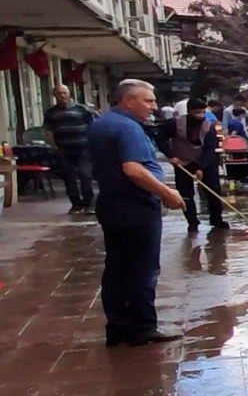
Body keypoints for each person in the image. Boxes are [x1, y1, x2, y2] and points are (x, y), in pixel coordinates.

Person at [86, 80, 186, 347]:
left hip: (112, 203)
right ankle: (142, 326)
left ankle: (118, 325)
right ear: (128, 101)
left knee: (118, 267)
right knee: (142, 268)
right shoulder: (128, 127)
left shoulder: (103, 123)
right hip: (135, 206)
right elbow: (133, 169)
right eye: (149, 100)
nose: (154, 106)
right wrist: (167, 193)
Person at [160, 98, 228, 232]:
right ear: (189, 112)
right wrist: (170, 155)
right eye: (197, 112)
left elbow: (210, 149)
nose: (201, 116)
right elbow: (160, 138)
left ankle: (216, 219)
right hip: (182, 161)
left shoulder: (209, 127)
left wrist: (200, 168)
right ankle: (192, 221)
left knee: (213, 190)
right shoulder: (174, 123)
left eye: (203, 112)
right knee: (186, 193)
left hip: (205, 161)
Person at [42, 84, 97, 214]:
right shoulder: (51, 113)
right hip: (64, 149)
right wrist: (54, 146)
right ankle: (76, 204)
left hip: (83, 148)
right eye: (59, 93)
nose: (62, 95)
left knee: (85, 175)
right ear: (55, 96)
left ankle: (89, 203)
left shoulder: (82, 109)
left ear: (69, 93)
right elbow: (49, 131)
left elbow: (93, 126)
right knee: (69, 177)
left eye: (64, 93)